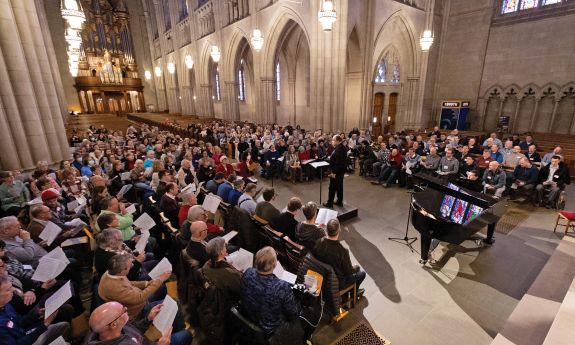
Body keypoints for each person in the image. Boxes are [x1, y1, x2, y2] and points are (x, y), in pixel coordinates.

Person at [240, 247, 311, 344]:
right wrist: (301, 302)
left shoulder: (248, 272)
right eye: (276, 256)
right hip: (271, 328)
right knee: (306, 316)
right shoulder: (281, 286)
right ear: (275, 264)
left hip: (250, 316)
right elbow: (293, 312)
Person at [0, 276, 70, 345]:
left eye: (11, 286)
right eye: (8, 289)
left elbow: (20, 322)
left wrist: (37, 314)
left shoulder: (6, 305)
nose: (13, 290)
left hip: (25, 333)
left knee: (64, 325)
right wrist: (43, 326)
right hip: (27, 339)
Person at [98, 254, 171, 320]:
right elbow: (140, 297)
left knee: (162, 288)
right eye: (130, 266)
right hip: (137, 311)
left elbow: (129, 283)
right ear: (122, 271)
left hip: (137, 299)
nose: (132, 265)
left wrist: (147, 283)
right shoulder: (116, 288)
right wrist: (160, 279)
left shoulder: (111, 273)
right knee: (171, 303)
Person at [86, 301, 191, 345]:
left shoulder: (114, 328)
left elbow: (133, 328)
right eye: (123, 310)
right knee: (186, 335)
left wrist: (148, 319)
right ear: (113, 324)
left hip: (148, 342)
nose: (126, 310)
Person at [312, 219, 366, 296]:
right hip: (337, 283)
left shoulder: (318, 242)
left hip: (322, 277)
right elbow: (348, 272)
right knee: (362, 273)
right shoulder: (343, 251)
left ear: (326, 230)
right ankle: (353, 293)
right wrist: (356, 267)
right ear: (339, 231)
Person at [324, 135, 346, 208]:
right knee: (339, 187)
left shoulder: (339, 150)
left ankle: (330, 203)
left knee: (332, 188)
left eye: (333, 140)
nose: (332, 142)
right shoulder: (342, 147)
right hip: (340, 172)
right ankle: (339, 201)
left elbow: (338, 163)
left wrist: (333, 173)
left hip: (336, 172)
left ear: (338, 141)